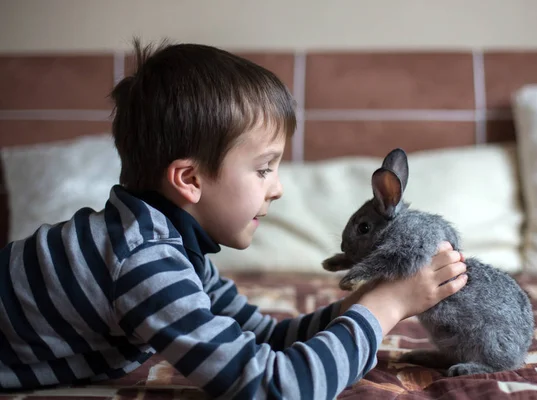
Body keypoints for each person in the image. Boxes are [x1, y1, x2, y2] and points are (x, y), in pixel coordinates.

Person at [0, 39, 468, 398]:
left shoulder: (169, 248)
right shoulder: (143, 263)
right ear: (190, 179)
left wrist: (365, 299)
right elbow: (270, 387)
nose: (278, 187)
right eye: (264, 168)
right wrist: (385, 309)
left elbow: (265, 337)